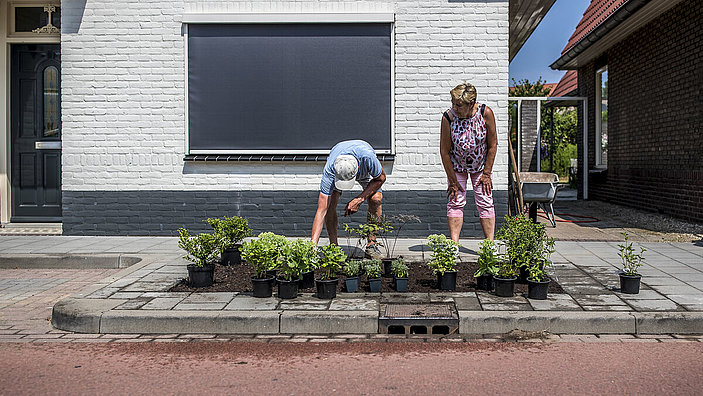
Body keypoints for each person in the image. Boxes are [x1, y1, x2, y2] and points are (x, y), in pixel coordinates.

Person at [440, 83, 498, 242]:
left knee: (485, 202)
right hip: (456, 166)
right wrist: (452, 180)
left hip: (480, 167)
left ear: (471, 103)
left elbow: (492, 145)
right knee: (455, 201)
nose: (454, 107)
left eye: (458, 105)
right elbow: (444, 152)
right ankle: (453, 245)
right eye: (452, 103)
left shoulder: (485, 113)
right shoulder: (448, 117)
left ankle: (489, 245)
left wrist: (487, 173)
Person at [311, 140, 386, 258]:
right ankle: (334, 247)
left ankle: (372, 244)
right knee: (330, 204)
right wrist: (312, 247)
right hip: (338, 164)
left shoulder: (368, 158)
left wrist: (359, 199)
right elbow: (321, 210)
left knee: (376, 199)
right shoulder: (331, 169)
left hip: (364, 169)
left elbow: (381, 178)